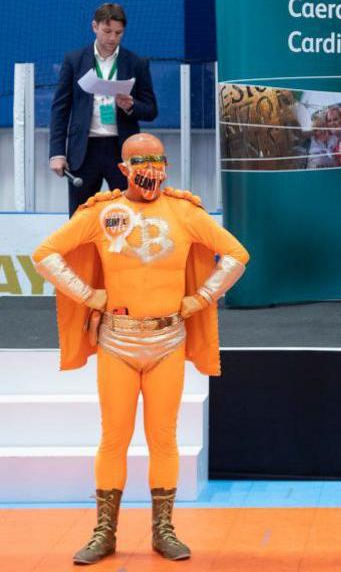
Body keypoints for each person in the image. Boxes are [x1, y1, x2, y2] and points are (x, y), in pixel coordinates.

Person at [32, 133, 249, 565]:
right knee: (114, 438)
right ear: (123, 168)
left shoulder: (184, 212)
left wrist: (199, 299)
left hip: (167, 339)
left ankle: (163, 529)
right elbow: (46, 254)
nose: (151, 171)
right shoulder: (103, 212)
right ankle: (104, 532)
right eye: (141, 162)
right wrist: (89, 296)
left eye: (158, 161)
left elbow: (237, 254)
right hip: (118, 339)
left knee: (163, 438)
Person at [48, 3, 158, 216]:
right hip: (84, 150)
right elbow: (60, 109)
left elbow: (151, 109)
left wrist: (131, 106)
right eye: (107, 31)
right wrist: (57, 153)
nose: (112, 38)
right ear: (94, 27)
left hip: (122, 151)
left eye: (118, 33)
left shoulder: (136, 62)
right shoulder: (74, 60)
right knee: (81, 218)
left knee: (129, 215)